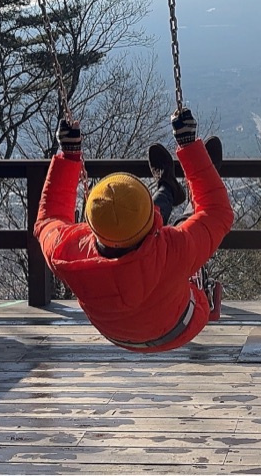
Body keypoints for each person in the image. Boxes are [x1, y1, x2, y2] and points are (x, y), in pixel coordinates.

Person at [34, 108, 233, 352]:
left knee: (163, 234)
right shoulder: (174, 251)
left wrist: (69, 155)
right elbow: (217, 213)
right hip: (182, 324)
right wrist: (189, 146)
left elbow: (49, 219)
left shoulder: (67, 252)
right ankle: (197, 180)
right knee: (183, 227)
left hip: (117, 334)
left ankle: (168, 188)